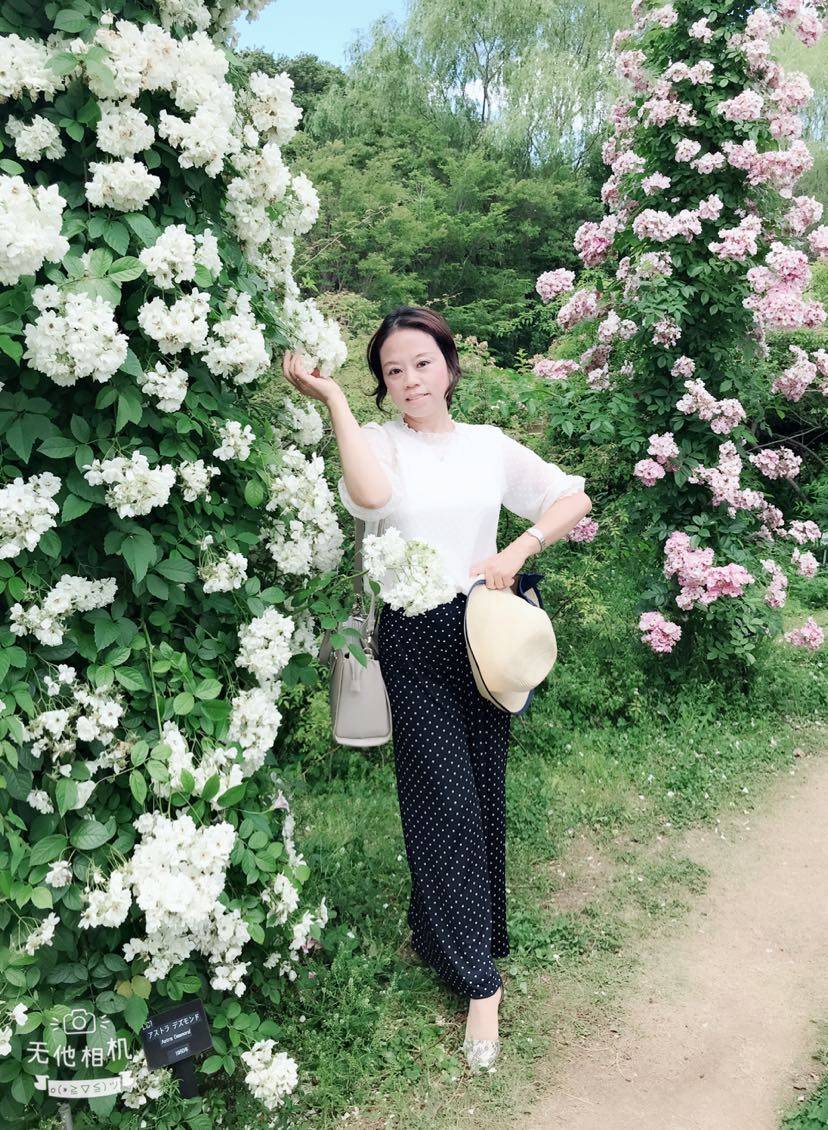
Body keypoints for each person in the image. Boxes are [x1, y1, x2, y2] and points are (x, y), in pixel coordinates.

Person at [282, 305, 591, 1070]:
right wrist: (336, 400)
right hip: (412, 638)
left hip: (483, 632)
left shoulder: (488, 446)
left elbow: (572, 497)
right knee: (441, 800)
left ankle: (446, 932)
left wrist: (518, 548)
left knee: (481, 792)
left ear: (449, 366)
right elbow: (370, 499)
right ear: (383, 384)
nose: (410, 379)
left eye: (422, 363)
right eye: (393, 370)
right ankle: (481, 985)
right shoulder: (379, 440)